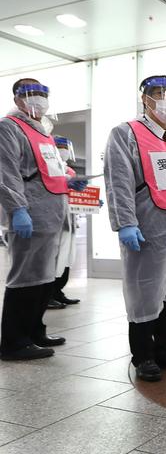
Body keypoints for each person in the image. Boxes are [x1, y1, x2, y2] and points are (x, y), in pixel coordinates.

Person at [104, 75, 166, 382]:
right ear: (145, 98)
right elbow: (118, 181)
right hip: (148, 225)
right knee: (145, 290)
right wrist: (125, 223)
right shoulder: (126, 133)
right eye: (159, 93)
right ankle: (143, 355)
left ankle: (165, 349)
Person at [0, 79, 86, 361]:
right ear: (17, 99)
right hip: (31, 212)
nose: (38, 99)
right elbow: (7, 172)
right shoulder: (9, 127)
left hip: (52, 212)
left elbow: (47, 171)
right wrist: (17, 209)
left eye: (42, 94)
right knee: (25, 278)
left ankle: (35, 331)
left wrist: (67, 182)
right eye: (31, 94)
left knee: (44, 278)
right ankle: (13, 341)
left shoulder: (44, 133)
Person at [47, 136, 82, 309]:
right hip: (54, 218)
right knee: (55, 258)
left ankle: (57, 291)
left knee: (67, 257)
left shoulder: (68, 170)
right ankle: (48, 294)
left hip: (68, 218)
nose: (64, 151)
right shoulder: (50, 166)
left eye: (66, 147)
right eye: (61, 147)